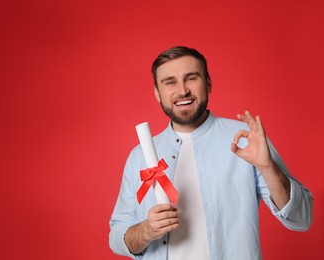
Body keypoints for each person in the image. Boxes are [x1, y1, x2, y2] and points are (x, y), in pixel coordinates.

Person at [109, 46, 312, 259]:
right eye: (170, 82)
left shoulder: (246, 139)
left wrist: (268, 167)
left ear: (208, 83)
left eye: (191, 78)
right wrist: (146, 231)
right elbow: (117, 236)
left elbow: (301, 219)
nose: (182, 90)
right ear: (157, 93)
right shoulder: (139, 156)